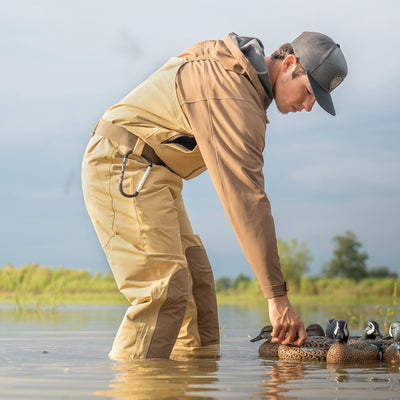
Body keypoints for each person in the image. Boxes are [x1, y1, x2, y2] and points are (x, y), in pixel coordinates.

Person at [81, 31, 347, 360]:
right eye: (308, 92)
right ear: (290, 63)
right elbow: (247, 201)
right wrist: (276, 298)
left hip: (158, 175)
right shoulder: (233, 94)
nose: (308, 106)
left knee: (198, 290)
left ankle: (192, 385)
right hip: (122, 162)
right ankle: (138, 385)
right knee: (165, 291)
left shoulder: (240, 80)